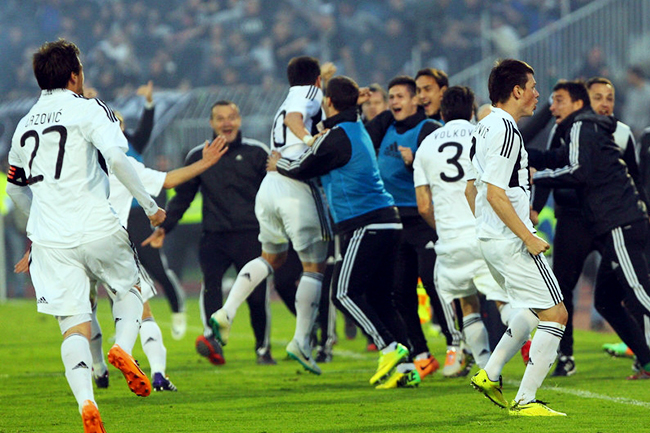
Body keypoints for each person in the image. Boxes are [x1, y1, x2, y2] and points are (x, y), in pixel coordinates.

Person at [6, 39, 165, 432]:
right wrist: (149, 206)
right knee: (130, 290)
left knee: (74, 325)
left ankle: (86, 404)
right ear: (75, 76)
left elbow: (15, 189)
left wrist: (35, 230)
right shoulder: (90, 108)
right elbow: (117, 159)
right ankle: (122, 347)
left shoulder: (23, 127)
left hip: (51, 241)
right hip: (97, 225)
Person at [268, 75, 415, 388]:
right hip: (387, 221)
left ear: (328, 102)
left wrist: (277, 164)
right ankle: (406, 369)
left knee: (342, 293)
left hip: (366, 223)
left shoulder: (337, 136)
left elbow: (303, 167)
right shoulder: (353, 128)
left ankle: (390, 349)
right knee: (381, 300)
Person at [209, 56, 330, 375]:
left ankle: (227, 311)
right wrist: (311, 140)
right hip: (296, 184)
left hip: (270, 187)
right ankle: (301, 341)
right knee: (314, 266)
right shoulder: (309, 94)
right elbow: (295, 119)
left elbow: (293, 114)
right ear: (317, 81)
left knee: (271, 258)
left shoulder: (290, 96)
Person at [467, 59, 568, 416]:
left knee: (531, 309)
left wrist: (490, 228)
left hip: (491, 239)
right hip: (510, 240)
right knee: (556, 313)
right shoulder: (506, 129)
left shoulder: (484, 126)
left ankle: (490, 373)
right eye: (533, 87)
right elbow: (495, 193)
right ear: (516, 91)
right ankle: (526, 400)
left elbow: (472, 189)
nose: (538, 93)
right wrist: (526, 236)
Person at [88, 135, 227, 392]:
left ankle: (97, 369)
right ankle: (154, 371)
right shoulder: (123, 162)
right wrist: (204, 163)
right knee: (141, 308)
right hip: (110, 243)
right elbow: (168, 179)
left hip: (69, 245)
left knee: (83, 311)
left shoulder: (74, 162)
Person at [533, 80, 650, 381]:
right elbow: (555, 158)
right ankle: (642, 358)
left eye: (610, 97)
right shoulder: (577, 128)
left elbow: (586, 172)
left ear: (577, 103)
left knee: (637, 291)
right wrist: (527, 157)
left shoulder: (593, 128)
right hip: (582, 220)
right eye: (599, 96)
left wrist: (539, 175)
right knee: (604, 297)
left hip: (616, 220)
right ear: (587, 100)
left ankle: (645, 355)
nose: (605, 103)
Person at [143, 100, 274, 365]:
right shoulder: (199, 156)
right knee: (211, 288)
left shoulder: (258, 153)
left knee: (257, 295)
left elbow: (274, 193)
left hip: (251, 235)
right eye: (220, 118)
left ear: (239, 120)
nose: (227, 123)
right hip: (214, 236)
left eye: (231, 117)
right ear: (211, 123)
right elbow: (183, 197)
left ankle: (263, 349)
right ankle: (213, 343)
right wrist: (164, 228)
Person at [413, 86, 520, 371]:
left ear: (442, 113)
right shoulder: (482, 135)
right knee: (502, 300)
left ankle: (485, 368)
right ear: (472, 110)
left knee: (466, 304)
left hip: (451, 241)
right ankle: (528, 342)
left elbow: (423, 206)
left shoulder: (425, 146)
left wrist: (444, 228)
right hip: (484, 233)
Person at [366, 76, 460, 379]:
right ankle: (421, 353)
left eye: (400, 96)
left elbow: (445, 168)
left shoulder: (428, 129)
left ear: (414, 100)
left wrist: (416, 159)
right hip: (395, 221)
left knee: (434, 283)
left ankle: (456, 345)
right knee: (400, 290)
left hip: (424, 219)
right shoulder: (387, 128)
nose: (394, 102)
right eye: (391, 96)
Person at [118, 81, 188, 341]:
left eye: (119, 122)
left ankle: (178, 309)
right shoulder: (96, 149)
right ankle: (124, 325)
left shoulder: (132, 143)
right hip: (113, 217)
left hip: (137, 214)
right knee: (117, 274)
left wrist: (149, 103)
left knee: (156, 267)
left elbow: (146, 129)